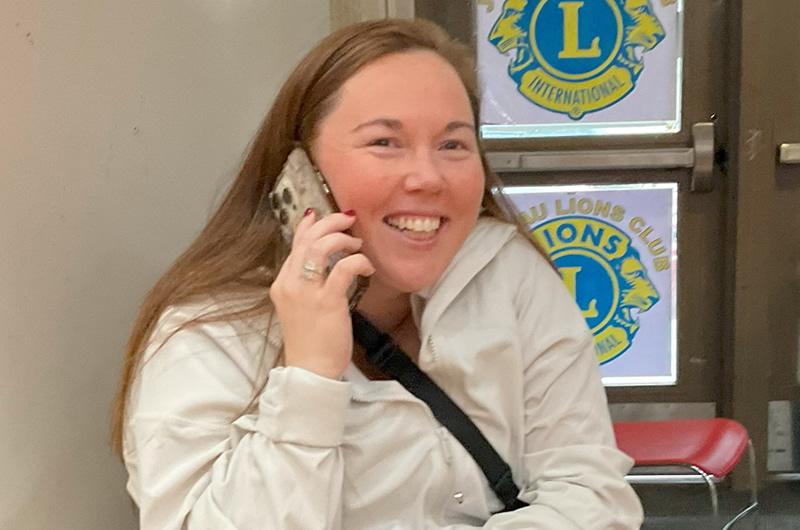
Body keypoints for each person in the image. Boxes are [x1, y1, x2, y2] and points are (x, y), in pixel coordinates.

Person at [111, 18, 644, 529]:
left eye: (453, 145)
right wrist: (309, 378)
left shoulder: (508, 274)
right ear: (300, 169)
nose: (428, 177)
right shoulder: (208, 333)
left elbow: (591, 494)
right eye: (385, 142)